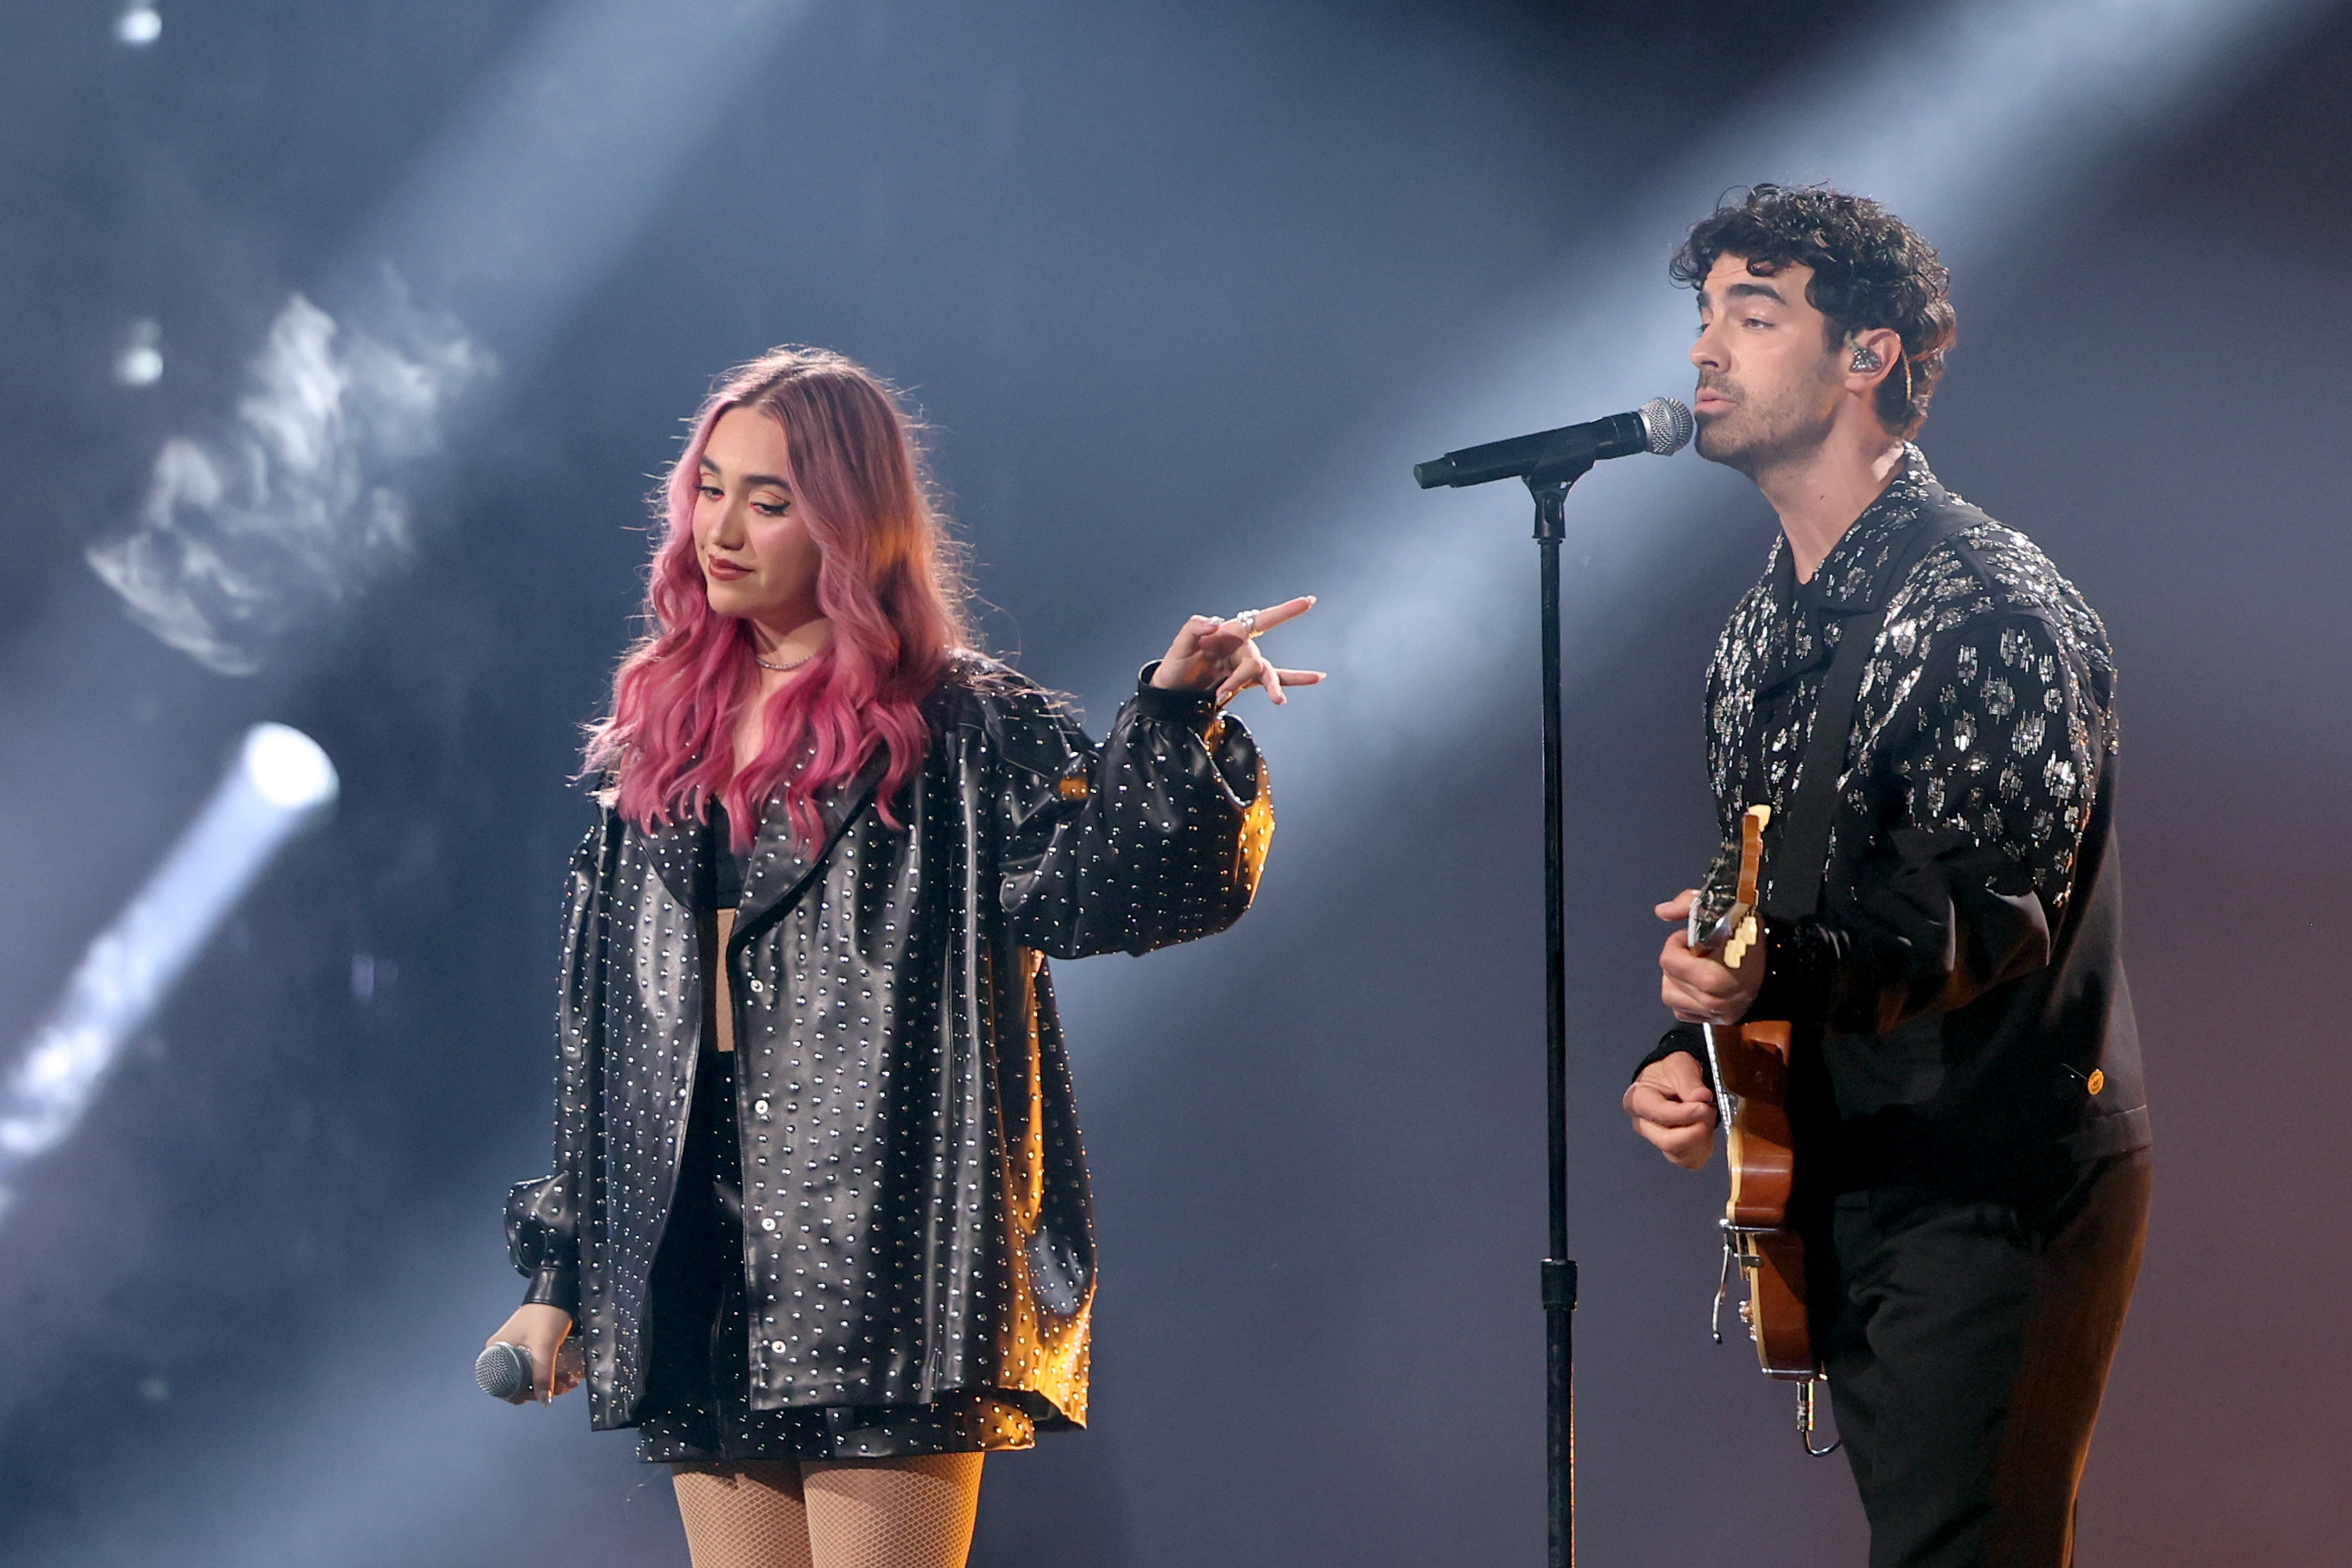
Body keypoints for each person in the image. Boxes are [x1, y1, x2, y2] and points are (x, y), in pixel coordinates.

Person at [485, 346, 1321, 1568]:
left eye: (768, 501)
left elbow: (1109, 896)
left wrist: (1172, 716)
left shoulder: (966, 727)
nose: (724, 527)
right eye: (710, 488)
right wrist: (563, 1273)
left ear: (848, 526)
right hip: (701, 1266)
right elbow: (607, 1040)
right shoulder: (655, 763)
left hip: (888, 1261)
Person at [1620, 187, 2150, 1568]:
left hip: (1990, 1179)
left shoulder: (1986, 608)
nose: (1703, 354)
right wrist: (1693, 1038)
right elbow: (1773, 893)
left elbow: (1991, 912)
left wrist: (1769, 971)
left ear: (1869, 356)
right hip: (1855, 1165)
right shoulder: (1761, 629)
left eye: (1753, 313)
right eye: (1703, 315)